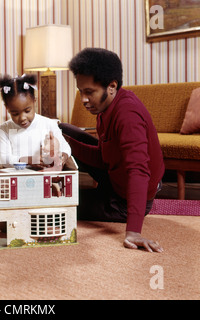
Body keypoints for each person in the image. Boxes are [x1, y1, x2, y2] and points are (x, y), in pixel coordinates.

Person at [59, 48, 165, 253]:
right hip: (114, 174)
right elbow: (104, 157)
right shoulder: (105, 108)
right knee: (60, 130)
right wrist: (65, 144)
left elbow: (138, 171)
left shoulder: (127, 115)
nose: (83, 99)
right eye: (81, 91)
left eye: (89, 92)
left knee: (63, 204)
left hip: (125, 200)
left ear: (111, 86)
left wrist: (133, 231)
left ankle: (54, 194)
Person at [0, 73, 71, 171]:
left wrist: (62, 157)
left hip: (44, 176)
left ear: (34, 101)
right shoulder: (5, 128)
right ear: (7, 108)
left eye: (27, 111)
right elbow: (3, 159)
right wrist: (27, 160)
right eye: (15, 114)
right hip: (18, 178)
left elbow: (66, 148)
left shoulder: (48, 124)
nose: (22, 118)